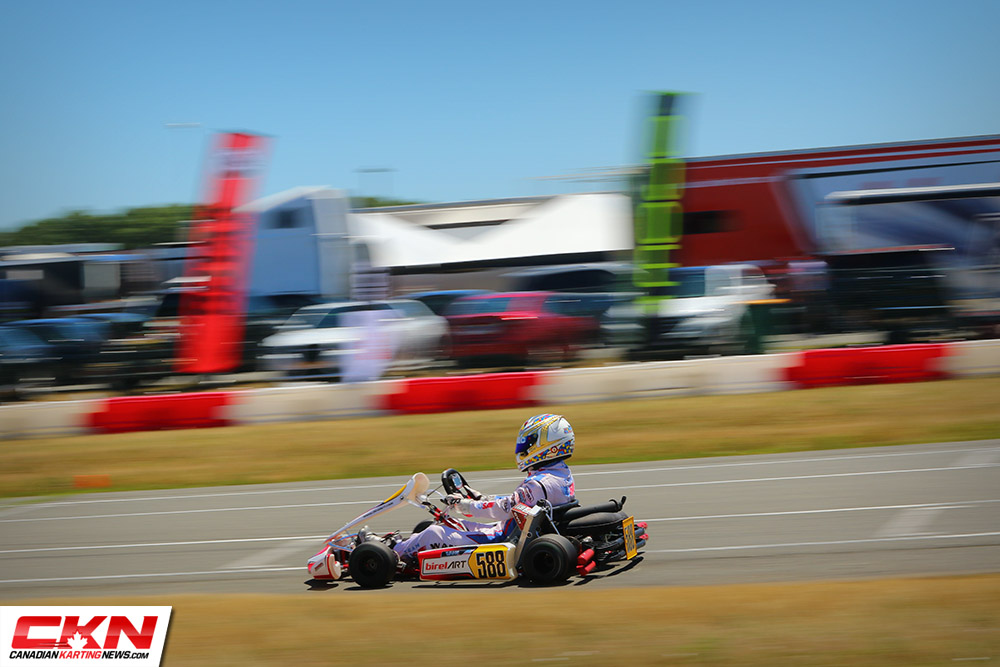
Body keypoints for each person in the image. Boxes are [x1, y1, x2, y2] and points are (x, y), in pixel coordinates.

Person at [391, 413, 577, 563]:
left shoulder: (537, 483)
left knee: (434, 533)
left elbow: (503, 510)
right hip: (514, 531)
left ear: (546, 445)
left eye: (527, 443)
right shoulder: (560, 475)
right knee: (446, 524)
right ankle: (402, 546)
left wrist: (465, 505)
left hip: (502, 539)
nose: (522, 447)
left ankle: (390, 553)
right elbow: (515, 503)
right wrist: (483, 498)